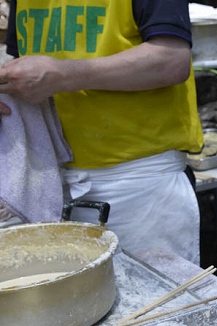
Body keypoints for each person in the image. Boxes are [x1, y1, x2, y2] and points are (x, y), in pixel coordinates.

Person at [0, 0, 203, 264]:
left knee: (159, 302)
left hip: (137, 184)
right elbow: (24, 61)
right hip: (50, 180)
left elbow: (171, 60)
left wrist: (64, 75)